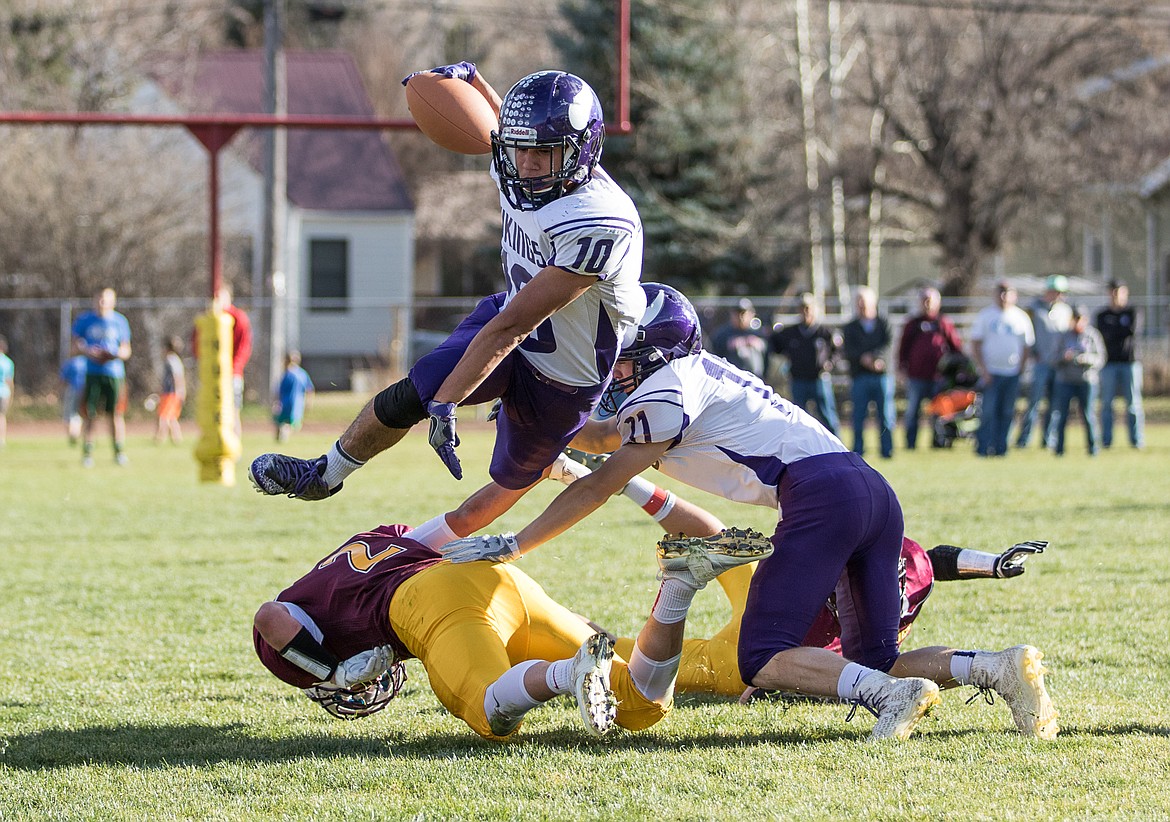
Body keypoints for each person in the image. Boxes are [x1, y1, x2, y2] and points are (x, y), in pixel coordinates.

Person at [439, 284, 1058, 741]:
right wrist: (544, 430)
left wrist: (517, 542)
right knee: (872, 653)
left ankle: (891, 696)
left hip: (819, 495)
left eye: (627, 355)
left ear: (656, 353)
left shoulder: (668, 389)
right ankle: (996, 667)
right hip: (868, 488)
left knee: (761, 654)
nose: (616, 365)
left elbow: (600, 483)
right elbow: (604, 438)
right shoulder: (689, 378)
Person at [249, 64, 646, 554]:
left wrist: (449, 402)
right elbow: (508, 134)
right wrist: (476, 84)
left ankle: (567, 460)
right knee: (415, 389)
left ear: (581, 152)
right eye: (520, 150)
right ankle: (325, 474)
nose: (528, 166)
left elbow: (516, 327)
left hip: (564, 373)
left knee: (505, 483)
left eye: (545, 155)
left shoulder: (599, 220)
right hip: (507, 319)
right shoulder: (517, 159)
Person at [252, 519, 769, 737]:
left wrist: (334, 674)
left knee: (489, 715)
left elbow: (269, 617)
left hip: (429, 602)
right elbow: (465, 516)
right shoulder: (373, 543)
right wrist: (541, 471)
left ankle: (567, 676)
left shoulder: (306, 624)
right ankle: (692, 605)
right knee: (639, 704)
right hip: (499, 581)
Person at [970, 281, 1034, 458]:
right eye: (1001, 293)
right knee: (988, 411)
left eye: (1008, 293)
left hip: (1012, 373)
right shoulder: (986, 316)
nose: (1004, 297)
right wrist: (984, 370)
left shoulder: (1021, 317)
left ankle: (1001, 448)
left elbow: (1027, 345)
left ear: (1015, 296)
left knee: (1007, 412)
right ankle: (983, 447)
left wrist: (1020, 368)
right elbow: (975, 344)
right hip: (991, 372)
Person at [896, 287, 963, 450]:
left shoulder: (943, 323)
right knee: (913, 412)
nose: (927, 304)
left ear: (937, 303)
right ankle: (910, 444)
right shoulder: (912, 324)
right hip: (916, 376)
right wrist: (901, 368)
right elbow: (903, 348)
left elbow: (956, 348)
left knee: (940, 413)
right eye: (924, 300)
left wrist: (954, 371)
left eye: (930, 300)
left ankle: (939, 442)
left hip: (938, 378)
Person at [72, 287, 132, 467]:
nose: (102, 303)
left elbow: (126, 350)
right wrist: (88, 351)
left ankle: (118, 451)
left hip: (113, 373)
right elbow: (74, 346)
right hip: (92, 372)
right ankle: (88, 453)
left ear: (113, 301)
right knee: (90, 413)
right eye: (99, 299)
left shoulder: (120, 322)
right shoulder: (85, 320)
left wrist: (114, 354)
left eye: (105, 299)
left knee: (115, 413)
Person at [768, 293, 841, 436]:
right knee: (798, 417)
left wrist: (829, 363)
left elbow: (837, 350)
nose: (806, 311)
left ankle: (836, 445)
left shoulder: (825, 331)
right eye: (802, 308)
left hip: (819, 378)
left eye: (808, 308)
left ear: (814, 308)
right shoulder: (791, 333)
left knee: (827, 415)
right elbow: (775, 346)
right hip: (798, 379)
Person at [1016, 275, 1072, 448]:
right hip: (1041, 363)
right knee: (1034, 402)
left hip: (1059, 364)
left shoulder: (1066, 310)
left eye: (1060, 292)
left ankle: (1049, 439)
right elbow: (1026, 334)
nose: (1057, 295)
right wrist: (1034, 353)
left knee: (1055, 404)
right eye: (1054, 291)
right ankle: (1025, 439)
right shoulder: (1034, 309)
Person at [842, 286, 894, 459]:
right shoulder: (850, 327)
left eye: (864, 302)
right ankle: (858, 450)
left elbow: (888, 345)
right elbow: (849, 349)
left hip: (882, 376)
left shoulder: (883, 323)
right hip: (860, 377)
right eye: (859, 302)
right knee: (858, 415)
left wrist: (876, 359)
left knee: (885, 415)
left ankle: (887, 450)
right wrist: (864, 358)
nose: (861, 306)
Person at [1048, 305, 1105, 457]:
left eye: (1081, 319)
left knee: (1088, 415)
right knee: (1061, 416)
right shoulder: (1063, 336)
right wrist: (1064, 357)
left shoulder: (1092, 335)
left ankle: (1093, 448)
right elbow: (1053, 359)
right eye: (1075, 319)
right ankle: (1059, 449)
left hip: (1086, 381)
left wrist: (1085, 359)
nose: (1078, 322)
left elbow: (1101, 358)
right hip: (1065, 381)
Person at [1096, 280, 1144, 450]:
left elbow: (1131, 332)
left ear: (1126, 292)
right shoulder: (1102, 315)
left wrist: (1114, 330)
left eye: (1119, 291)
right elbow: (1103, 335)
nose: (1116, 295)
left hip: (1129, 364)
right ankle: (1106, 441)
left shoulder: (1133, 311)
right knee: (1107, 404)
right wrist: (1117, 331)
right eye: (1113, 292)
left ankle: (1137, 441)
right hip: (1108, 364)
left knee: (1133, 404)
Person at [709, 298, 767, 378]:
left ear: (752, 314)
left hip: (754, 379)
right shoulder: (722, 334)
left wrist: (759, 344)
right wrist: (730, 345)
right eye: (737, 313)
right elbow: (714, 355)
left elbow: (768, 356)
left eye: (744, 313)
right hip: (729, 379)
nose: (740, 317)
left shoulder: (758, 334)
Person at [273, 351, 314, 442]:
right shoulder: (302, 373)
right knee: (293, 423)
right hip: (297, 403)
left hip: (285, 402)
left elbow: (279, 390)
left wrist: (276, 401)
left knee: (281, 421)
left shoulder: (287, 374)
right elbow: (309, 389)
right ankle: (285, 432)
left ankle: (281, 434)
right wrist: (309, 402)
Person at [155, 336, 186, 445]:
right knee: (172, 416)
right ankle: (177, 438)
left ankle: (160, 438)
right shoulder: (176, 360)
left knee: (163, 415)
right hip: (172, 392)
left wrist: (178, 390)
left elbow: (176, 376)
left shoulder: (171, 359)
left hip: (170, 392)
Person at [59, 354, 88, 445]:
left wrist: (60, 392)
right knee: (84, 415)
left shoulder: (71, 363)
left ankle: (73, 435)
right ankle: (84, 436)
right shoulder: (87, 362)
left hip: (73, 390)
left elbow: (63, 379)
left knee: (70, 414)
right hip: (86, 390)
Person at [0, 335, 12, 447]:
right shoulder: (8, 362)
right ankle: (2, 439)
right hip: (4, 392)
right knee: (2, 416)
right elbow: (9, 381)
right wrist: (11, 394)